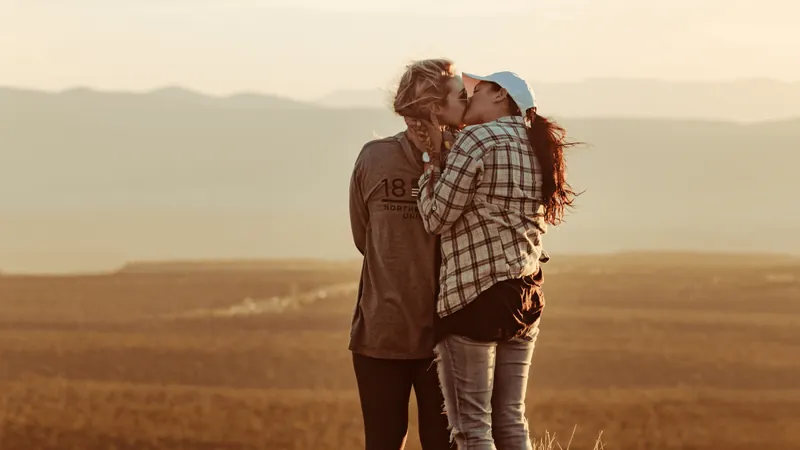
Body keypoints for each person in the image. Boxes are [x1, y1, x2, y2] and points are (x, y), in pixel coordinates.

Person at [415, 71, 578, 450]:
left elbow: (436, 217)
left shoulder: (478, 138)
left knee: (472, 427)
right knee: (510, 419)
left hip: (475, 296)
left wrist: (428, 172)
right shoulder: (537, 144)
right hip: (526, 293)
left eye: (477, 91)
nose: (468, 98)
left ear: (501, 95)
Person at [347, 58, 468, 450]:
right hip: (381, 336)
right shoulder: (374, 158)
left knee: (444, 443)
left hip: (446, 338)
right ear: (434, 107)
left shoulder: (467, 160)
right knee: (382, 441)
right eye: (460, 97)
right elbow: (364, 238)